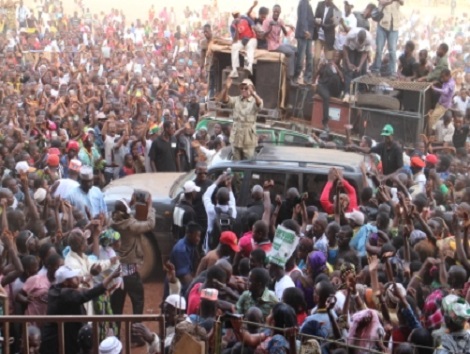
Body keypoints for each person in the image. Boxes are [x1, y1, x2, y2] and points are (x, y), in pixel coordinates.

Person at [40, 265, 121, 354]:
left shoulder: (56, 288)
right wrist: (111, 277)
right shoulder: (64, 295)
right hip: (58, 342)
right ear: (66, 282)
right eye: (74, 277)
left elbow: (79, 284)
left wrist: (87, 277)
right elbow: (88, 294)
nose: (78, 278)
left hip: (63, 337)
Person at [109, 195, 155, 344]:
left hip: (116, 274)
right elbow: (150, 224)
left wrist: (128, 204)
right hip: (130, 273)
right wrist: (150, 208)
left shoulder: (113, 221)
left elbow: (123, 212)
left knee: (116, 306)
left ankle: (114, 336)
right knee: (138, 302)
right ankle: (135, 336)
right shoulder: (131, 225)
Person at [221, 77, 262, 161]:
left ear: (251, 89)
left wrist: (253, 94)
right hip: (236, 138)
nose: (243, 90)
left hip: (248, 140)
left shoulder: (255, 101)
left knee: (248, 164)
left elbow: (259, 104)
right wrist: (226, 88)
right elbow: (225, 100)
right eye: (242, 88)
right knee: (236, 165)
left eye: (246, 88)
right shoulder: (236, 100)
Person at [262, 5, 296, 82]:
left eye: (278, 12)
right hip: (271, 45)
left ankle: (295, 73)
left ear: (280, 12)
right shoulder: (267, 21)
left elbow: (286, 34)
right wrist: (270, 28)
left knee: (296, 50)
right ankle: (290, 77)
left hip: (278, 43)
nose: (276, 13)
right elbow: (263, 36)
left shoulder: (280, 21)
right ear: (272, 11)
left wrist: (281, 25)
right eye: (275, 11)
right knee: (291, 53)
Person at [342, 28, 373, 102]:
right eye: (359, 40)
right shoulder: (351, 35)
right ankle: (347, 93)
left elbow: (365, 53)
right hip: (351, 49)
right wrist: (348, 62)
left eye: (362, 41)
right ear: (357, 37)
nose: (360, 42)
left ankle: (354, 94)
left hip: (361, 51)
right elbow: (345, 48)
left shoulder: (369, 39)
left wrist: (360, 66)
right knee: (349, 71)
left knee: (357, 71)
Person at [373, 0, 403, 76]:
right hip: (382, 24)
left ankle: (392, 72)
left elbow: (402, 2)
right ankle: (376, 69)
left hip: (394, 25)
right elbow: (382, 2)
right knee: (379, 49)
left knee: (392, 50)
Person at [169, 222, 201, 294]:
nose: (199, 239)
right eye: (197, 236)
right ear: (189, 235)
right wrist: (196, 289)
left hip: (184, 282)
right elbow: (185, 277)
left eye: (200, 236)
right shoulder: (181, 250)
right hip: (178, 287)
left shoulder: (192, 244)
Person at [315, 53, 344, 131]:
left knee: (335, 77)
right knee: (326, 97)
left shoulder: (340, 68)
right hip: (322, 86)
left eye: (337, 56)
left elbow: (342, 79)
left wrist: (337, 69)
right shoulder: (326, 65)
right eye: (334, 56)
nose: (335, 58)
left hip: (332, 89)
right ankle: (325, 122)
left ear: (340, 58)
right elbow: (317, 73)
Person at [312, 0, 339, 76]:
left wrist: (323, 25)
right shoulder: (320, 4)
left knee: (329, 61)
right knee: (316, 58)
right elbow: (315, 16)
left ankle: (326, 79)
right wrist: (316, 21)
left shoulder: (337, 10)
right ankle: (313, 77)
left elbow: (335, 24)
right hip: (318, 36)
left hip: (329, 39)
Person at [229, 12, 257, 77]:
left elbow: (253, 26)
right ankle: (235, 70)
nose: (236, 17)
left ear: (239, 15)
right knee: (234, 47)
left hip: (251, 38)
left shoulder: (245, 19)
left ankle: (248, 67)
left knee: (249, 47)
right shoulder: (232, 25)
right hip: (241, 40)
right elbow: (235, 40)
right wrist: (236, 27)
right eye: (234, 15)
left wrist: (249, 36)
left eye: (237, 15)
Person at [293, 0, 315, 85]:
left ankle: (306, 78)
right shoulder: (303, 2)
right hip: (304, 34)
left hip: (308, 34)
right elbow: (302, 18)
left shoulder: (306, 3)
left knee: (309, 57)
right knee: (301, 58)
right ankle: (296, 77)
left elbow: (307, 19)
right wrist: (306, 30)